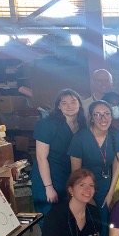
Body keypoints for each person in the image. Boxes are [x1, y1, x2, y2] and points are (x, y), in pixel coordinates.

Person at [68, 100, 119, 236]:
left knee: (105, 226)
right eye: (97, 115)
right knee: (90, 226)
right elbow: (76, 172)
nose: (103, 118)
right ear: (91, 118)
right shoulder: (80, 138)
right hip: (86, 187)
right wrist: (86, 196)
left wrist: (110, 193)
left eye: (107, 114)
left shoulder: (116, 136)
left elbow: (117, 164)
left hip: (106, 186)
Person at [32, 89, 87, 224]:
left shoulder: (82, 124)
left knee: (67, 215)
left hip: (67, 175)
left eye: (73, 102)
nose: (69, 106)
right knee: (50, 215)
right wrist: (48, 187)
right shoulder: (47, 124)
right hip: (48, 175)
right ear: (58, 106)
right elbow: (41, 157)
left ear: (79, 104)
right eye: (64, 103)